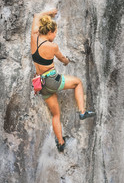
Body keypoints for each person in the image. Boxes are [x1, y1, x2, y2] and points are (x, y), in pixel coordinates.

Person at [30, 8, 95, 152]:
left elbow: (37, 15)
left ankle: (60, 142)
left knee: (56, 114)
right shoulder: (52, 46)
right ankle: (82, 111)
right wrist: (66, 61)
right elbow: (62, 59)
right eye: (55, 33)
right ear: (50, 32)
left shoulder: (33, 38)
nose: (55, 35)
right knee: (77, 82)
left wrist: (49, 12)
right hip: (52, 80)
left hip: (41, 85)